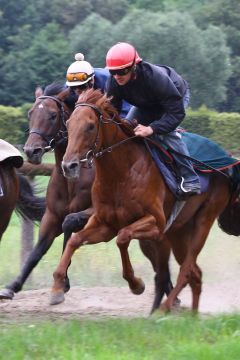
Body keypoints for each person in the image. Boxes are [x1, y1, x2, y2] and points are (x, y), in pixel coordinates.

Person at [105, 42, 201, 198]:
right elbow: (112, 113)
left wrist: (152, 128)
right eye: (113, 71)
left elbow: (176, 113)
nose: (117, 76)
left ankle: (191, 179)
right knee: (127, 129)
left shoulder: (155, 78)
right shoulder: (114, 81)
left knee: (166, 134)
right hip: (146, 103)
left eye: (121, 71)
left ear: (134, 67)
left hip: (174, 98)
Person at [66, 53, 130, 118]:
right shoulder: (67, 89)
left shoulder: (108, 80)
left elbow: (125, 104)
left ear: (92, 80)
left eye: (81, 86)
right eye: (73, 87)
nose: (77, 91)